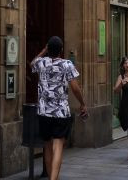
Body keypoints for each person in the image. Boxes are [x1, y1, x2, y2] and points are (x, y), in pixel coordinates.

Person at [31, 36, 87, 179]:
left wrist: (43, 51)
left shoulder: (41, 63)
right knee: (58, 146)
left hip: (44, 112)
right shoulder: (66, 64)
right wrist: (82, 103)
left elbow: (32, 63)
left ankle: (52, 177)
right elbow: (75, 88)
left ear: (48, 49)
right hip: (61, 112)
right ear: (61, 50)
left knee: (47, 146)